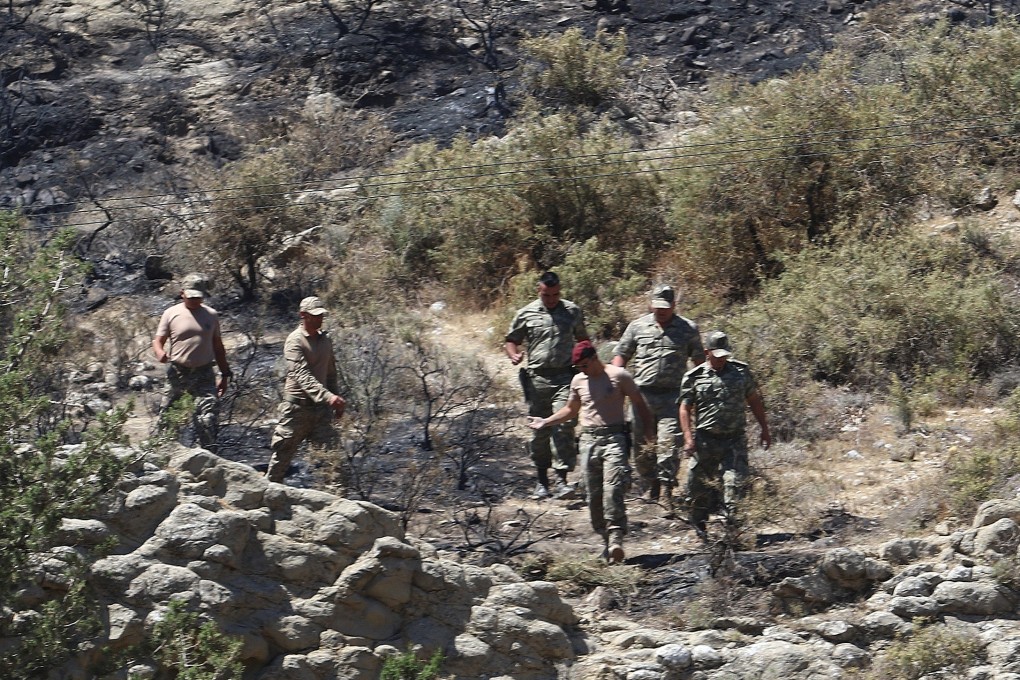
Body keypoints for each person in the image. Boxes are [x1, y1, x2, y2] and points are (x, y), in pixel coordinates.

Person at [529, 341, 653, 564]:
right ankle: (606, 542)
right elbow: (570, 409)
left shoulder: (620, 376)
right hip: (588, 440)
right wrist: (546, 421)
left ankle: (616, 536)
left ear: (595, 357)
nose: (582, 370)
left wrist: (648, 435)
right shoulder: (578, 380)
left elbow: (640, 405)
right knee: (592, 494)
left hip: (614, 438)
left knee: (613, 487)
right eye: (579, 367)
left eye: (585, 365)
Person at [612, 284, 704, 515]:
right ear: (650, 304)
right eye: (657, 306)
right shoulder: (637, 327)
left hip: (673, 397)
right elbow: (621, 355)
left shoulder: (688, 329)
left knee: (668, 444)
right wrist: (614, 381)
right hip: (641, 395)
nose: (661, 311)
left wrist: (702, 392)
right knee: (641, 446)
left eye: (667, 307)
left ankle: (666, 491)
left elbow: (699, 363)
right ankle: (649, 483)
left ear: (674, 305)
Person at [678, 331, 771, 541]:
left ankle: (732, 531)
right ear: (706, 353)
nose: (721, 359)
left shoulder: (741, 372)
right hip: (705, 440)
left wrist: (764, 428)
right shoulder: (694, 377)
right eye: (716, 355)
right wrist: (688, 438)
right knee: (698, 486)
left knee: (734, 483)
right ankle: (701, 528)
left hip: (734, 440)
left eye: (724, 355)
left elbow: (754, 400)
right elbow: (685, 408)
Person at [505, 271, 590, 500]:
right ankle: (542, 482)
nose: (552, 299)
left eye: (555, 294)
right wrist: (513, 355)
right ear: (539, 291)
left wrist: (588, 368)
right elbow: (512, 339)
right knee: (539, 430)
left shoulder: (572, 311)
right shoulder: (526, 313)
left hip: (564, 377)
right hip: (537, 380)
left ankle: (562, 481)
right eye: (547, 295)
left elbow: (583, 341)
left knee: (563, 426)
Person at [266, 296, 346, 483]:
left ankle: (338, 504)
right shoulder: (294, 341)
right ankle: (267, 500)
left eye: (321, 316)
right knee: (281, 460)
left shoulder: (326, 340)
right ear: (303, 315)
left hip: (321, 412)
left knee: (334, 462)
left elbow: (331, 372)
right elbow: (301, 375)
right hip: (296, 411)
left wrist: (335, 398)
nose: (319, 319)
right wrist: (328, 397)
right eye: (314, 316)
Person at [152, 273, 232, 453]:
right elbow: (158, 340)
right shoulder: (171, 313)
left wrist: (225, 374)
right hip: (178, 374)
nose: (195, 300)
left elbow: (218, 347)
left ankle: (209, 461)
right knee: (168, 421)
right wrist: (160, 353)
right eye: (191, 296)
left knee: (208, 419)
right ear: (182, 293)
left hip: (204, 374)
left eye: (198, 297)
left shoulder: (211, 315)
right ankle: (162, 459)